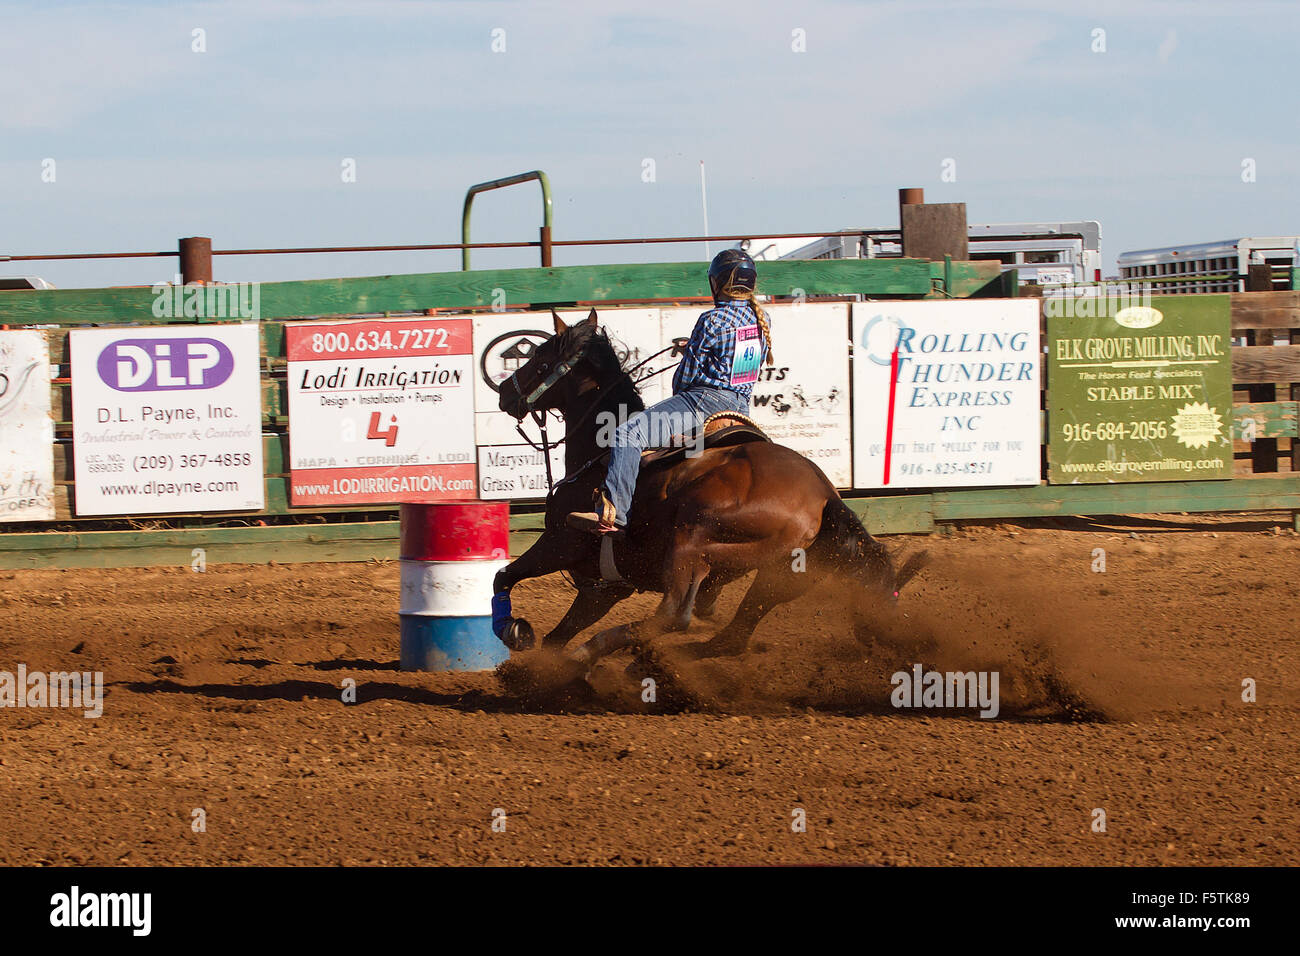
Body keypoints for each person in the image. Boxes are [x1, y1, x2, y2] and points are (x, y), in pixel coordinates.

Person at [567, 248, 773, 534]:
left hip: (702, 404)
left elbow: (685, 379)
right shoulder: (760, 321)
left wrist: (687, 368)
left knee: (627, 434)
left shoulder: (711, 320)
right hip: (740, 410)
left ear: (717, 283)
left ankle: (615, 512)